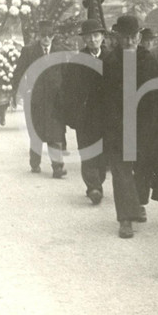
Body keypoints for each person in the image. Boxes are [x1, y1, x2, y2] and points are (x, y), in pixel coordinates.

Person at [101, 15, 158, 238]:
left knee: (143, 169)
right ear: (117, 37)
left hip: (145, 126)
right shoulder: (109, 62)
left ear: (138, 36)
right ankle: (125, 218)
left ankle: (138, 202)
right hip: (117, 126)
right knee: (121, 171)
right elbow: (103, 98)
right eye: (124, 38)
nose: (128, 42)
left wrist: (155, 125)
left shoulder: (148, 60)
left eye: (132, 37)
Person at [60, 19, 107, 204]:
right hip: (86, 116)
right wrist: (74, 114)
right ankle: (93, 186)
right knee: (87, 150)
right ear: (84, 40)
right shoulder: (77, 61)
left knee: (103, 152)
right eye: (89, 37)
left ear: (102, 37)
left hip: (105, 116)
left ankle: (99, 180)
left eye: (96, 36)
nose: (93, 40)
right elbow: (68, 90)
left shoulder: (111, 58)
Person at [13, 20, 67, 178]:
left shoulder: (59, 52)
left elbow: (65, 74)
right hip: (34, 100)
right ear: (38, 36)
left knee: (55, 132)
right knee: (36, 132)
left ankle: (57, 167)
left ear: (53, 36)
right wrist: (23, 91)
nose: (46, 39)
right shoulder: (29, 51)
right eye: (43, 35)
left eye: (50, 35)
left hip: (54, 100)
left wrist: (64, 95)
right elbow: (18, 74)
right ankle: (35, 161)